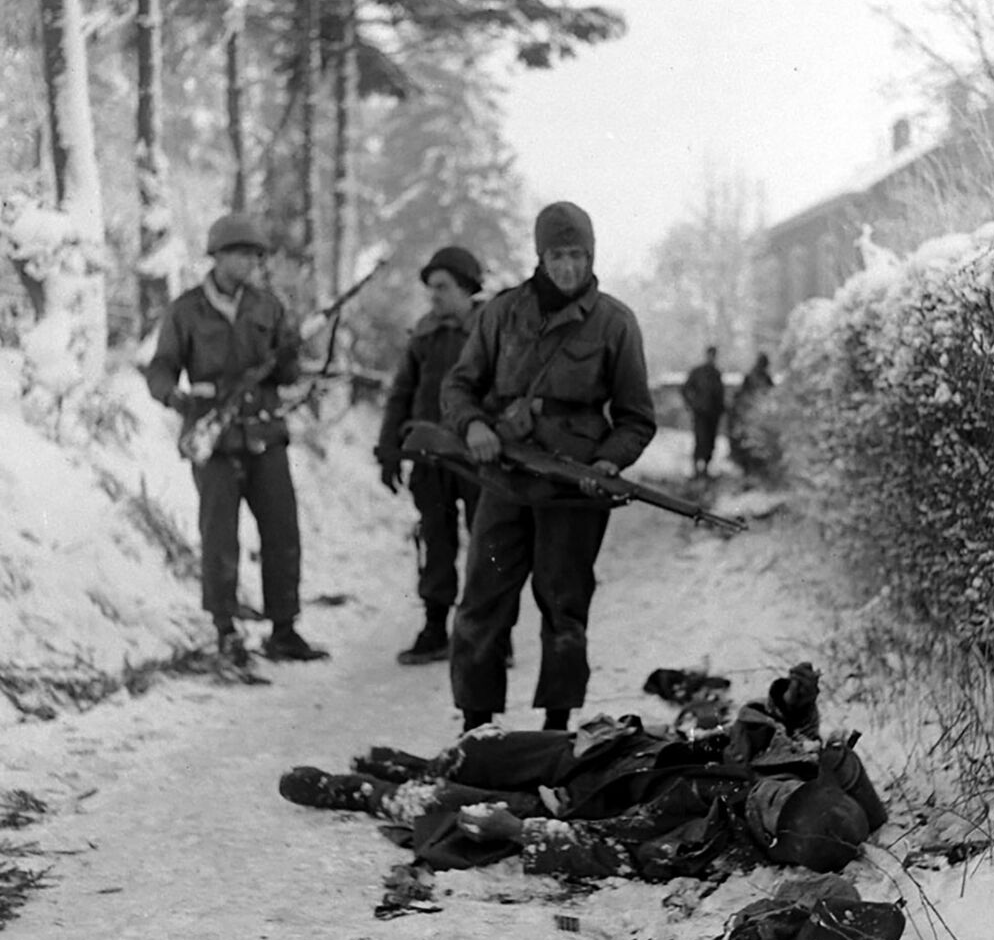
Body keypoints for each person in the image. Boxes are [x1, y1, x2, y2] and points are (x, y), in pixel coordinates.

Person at [278, 662, 889, 879]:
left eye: (772, 812)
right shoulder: (796, 767)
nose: (767, 797)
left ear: (772, 838)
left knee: (447, 804)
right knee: (481, 747)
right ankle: (421, 763)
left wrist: (519, 832)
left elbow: (610, 852)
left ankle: (357, 792)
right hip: (614, 751)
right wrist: (795, 701)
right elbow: (777, 728)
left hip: (575, 806)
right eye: (781, 794)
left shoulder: (710, 843)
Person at [440, 201, 656, 733]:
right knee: (482, 602)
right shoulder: (501, 314)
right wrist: (474, 426)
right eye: (557, 255)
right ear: (540, 256)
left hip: (573, 490)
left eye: (578, 255)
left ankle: (557, 729)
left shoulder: (615, 323)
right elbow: (459, 385)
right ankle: (477, 726)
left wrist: (607, 461)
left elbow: (636, 418)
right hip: (505, 480)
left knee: (565, 608)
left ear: (591, 256)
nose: (568, 267)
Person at [145, 212, 327, 665]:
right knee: (219, 538)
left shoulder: (268, 306)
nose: (250, 263)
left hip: (264, 434)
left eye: (255, 255)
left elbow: (287, 373)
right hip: (215, 440)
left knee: (282, 533)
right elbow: (162, 366)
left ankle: (284, 629)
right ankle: (225, 630)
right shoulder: (186, 309)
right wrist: (175, 397)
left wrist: (291, 356)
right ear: (218, 256)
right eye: (242, 254)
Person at [377, 247, 485, 665]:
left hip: (478, 457)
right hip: (429, 457)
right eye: (431, 288)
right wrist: (389, 451)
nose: (434, 296)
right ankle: (435, 628)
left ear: (467, 288)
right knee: (435, 542)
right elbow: (401, 393)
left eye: (442, 287)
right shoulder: (423, 336)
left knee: (488, 543)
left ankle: (491, 631)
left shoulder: (490, 332)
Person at [681, 345, 726, 479]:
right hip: (700, 413)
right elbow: (685, 389)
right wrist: (692, 404)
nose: (711, 358)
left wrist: (721, 409)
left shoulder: (716, 374)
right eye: (710, 355)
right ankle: (696, 469)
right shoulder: (698, 372)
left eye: (713, 355)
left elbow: (720, 395)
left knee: (710, 441)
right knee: (700, 439)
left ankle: (705, 468)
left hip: (713, 414)